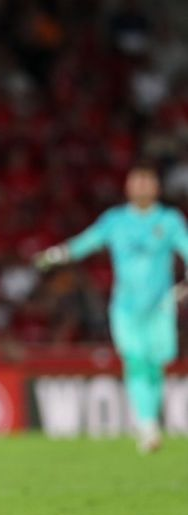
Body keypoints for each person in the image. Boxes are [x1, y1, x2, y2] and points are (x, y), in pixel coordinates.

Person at [34, 164, 188, 453]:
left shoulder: (169, 220)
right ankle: (148, 427)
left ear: (156, 187)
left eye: (147, 181)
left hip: (160, 307)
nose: (141, 186)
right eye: (136, 181)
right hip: (126, 307)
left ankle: (148, 421)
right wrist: (56, 254)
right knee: (136, 362)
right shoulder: (115, 221)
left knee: (156, 365)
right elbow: (86, 243)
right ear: (128, 187)